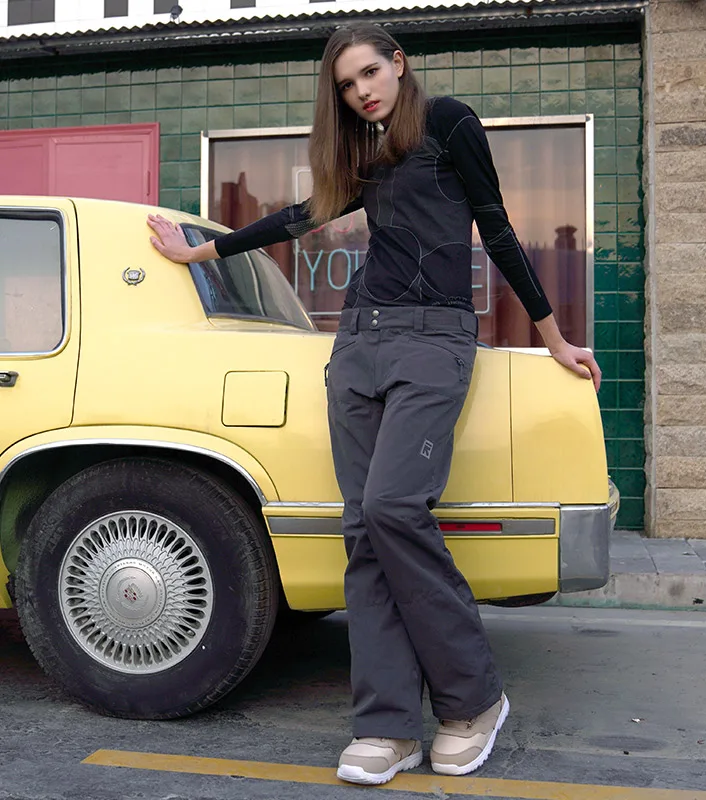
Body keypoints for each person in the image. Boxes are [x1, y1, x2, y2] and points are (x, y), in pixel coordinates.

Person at [147, 22, 601, 787]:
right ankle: (387, 726)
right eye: (347, 85)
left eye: (369, 73)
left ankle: (474, 700)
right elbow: (302, 215)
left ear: (399, 62)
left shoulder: (449, 122)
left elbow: (496, 227)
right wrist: (201, 251)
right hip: (358, 343)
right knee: (361, 530)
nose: (361, 91)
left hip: (434, 339)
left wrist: (554, 336)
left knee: (394, 508)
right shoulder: (364, 155)